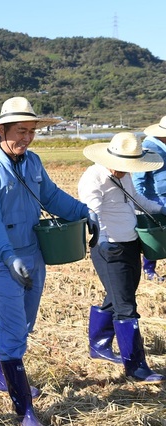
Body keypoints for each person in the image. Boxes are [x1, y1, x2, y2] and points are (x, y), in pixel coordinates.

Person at [0, 97, 98, 426]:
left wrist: (84, 211)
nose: (26, 137)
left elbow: (51, 196)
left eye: (31, 131)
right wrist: (8, 257)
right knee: (12, 333)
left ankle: (4, 378)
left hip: (33, 254)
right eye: (20, 131)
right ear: (1, 130)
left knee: (23, 326)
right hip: (1, 261)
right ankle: (24, 409)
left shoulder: (32, 162)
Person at [79, 132, 166, 383]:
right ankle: (136, 366)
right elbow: (92, 212)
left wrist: (161, 210)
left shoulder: (124, 174)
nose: (125, 171)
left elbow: (135, 199)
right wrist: (104, 244)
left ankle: (99, 346)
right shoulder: (93, 177)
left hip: (130, 244)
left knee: (119, 296)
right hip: (109, 249)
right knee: (127, 308)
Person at [132, 115, 166, 281]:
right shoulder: (148, 147)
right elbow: (139, 178)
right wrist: (140, 204)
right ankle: (149, 270)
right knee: (154, 236)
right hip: (154, 199)